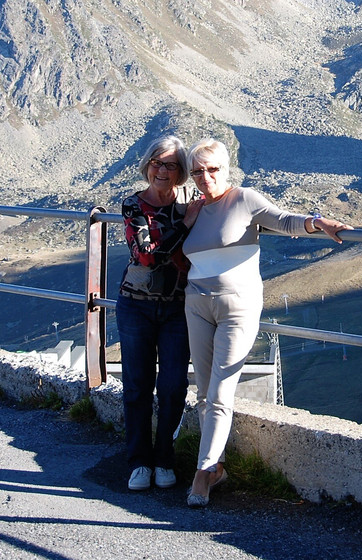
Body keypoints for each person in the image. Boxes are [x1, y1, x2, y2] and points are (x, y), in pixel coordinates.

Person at [181, 138, 352, 507]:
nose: (205, 177)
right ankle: (218, 468)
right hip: (196, 303)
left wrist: (316, 221)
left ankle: (202, 474)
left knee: (222, 391)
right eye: (197, 171)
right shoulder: (192, 210)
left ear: (227, 169)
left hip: (238, 306)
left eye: (212, 170)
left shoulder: (245, 198)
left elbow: (283, 221)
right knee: (203, 391)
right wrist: (186, 222)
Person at [115, 135, 204, 492]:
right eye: (156, 162)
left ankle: (164, 457)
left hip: (178, 309)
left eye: (170, 165)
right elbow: (148, 254)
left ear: (181, 171)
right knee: (136, 386)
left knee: (172, 385)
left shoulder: (192, 202)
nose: (161, 170)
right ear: (147, 165)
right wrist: (184, 224)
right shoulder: (133, 206)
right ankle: (138, 460)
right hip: (136, 305)